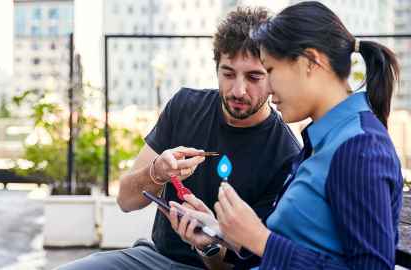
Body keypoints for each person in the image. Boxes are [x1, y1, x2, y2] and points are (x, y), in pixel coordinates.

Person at [57, 7, 300, 270]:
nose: (238, 90)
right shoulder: (186, 106)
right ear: (216, 67)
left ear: (273, 75)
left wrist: (208, 243)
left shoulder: (285, 154)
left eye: (254, 77)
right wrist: (156, 173)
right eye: (228, 74)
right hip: (155, 259)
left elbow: (245, 263)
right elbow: (125, 201)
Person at [170, 1, 404, 269]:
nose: (267, 88)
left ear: (309, 62)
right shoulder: (323, 142)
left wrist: (261, 240)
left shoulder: (360, 148)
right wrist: (222, 233)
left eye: (269, 71)